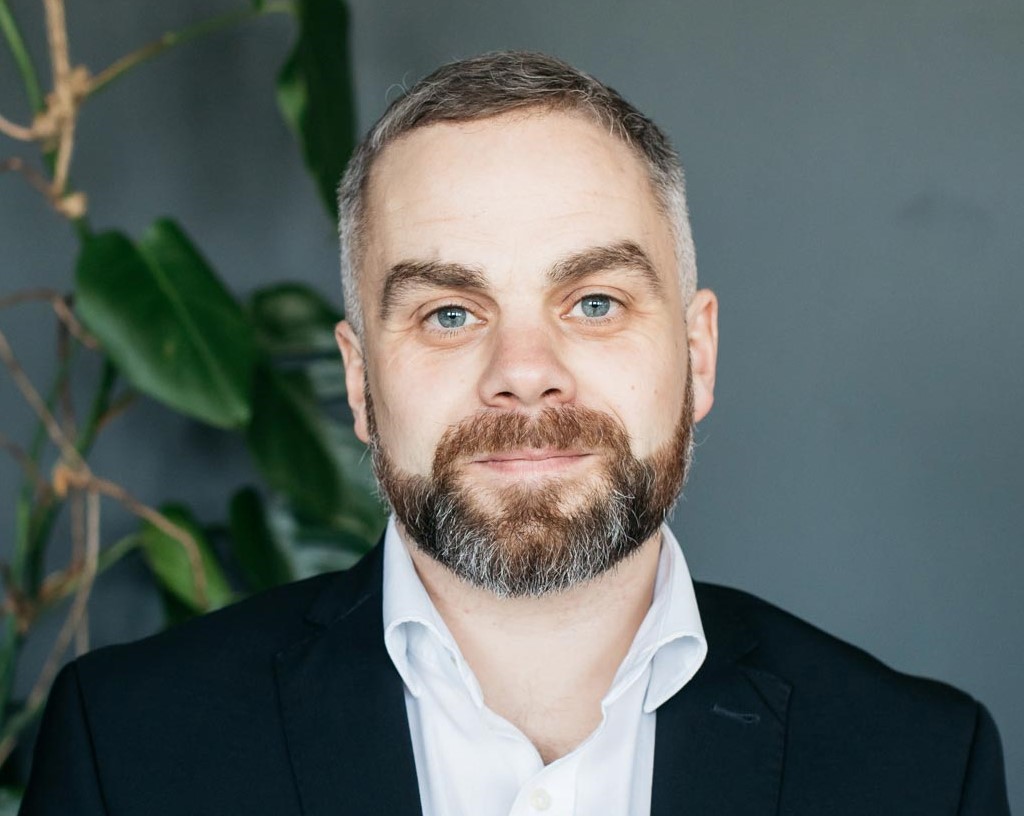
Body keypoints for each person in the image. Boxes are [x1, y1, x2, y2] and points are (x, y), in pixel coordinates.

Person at [21, 51, 1009, 816]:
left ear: (698, 354)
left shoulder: (922, 768)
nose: (524, 371)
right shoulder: (128, 750)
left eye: (594, 302)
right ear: (360, 381)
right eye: (449, 313)